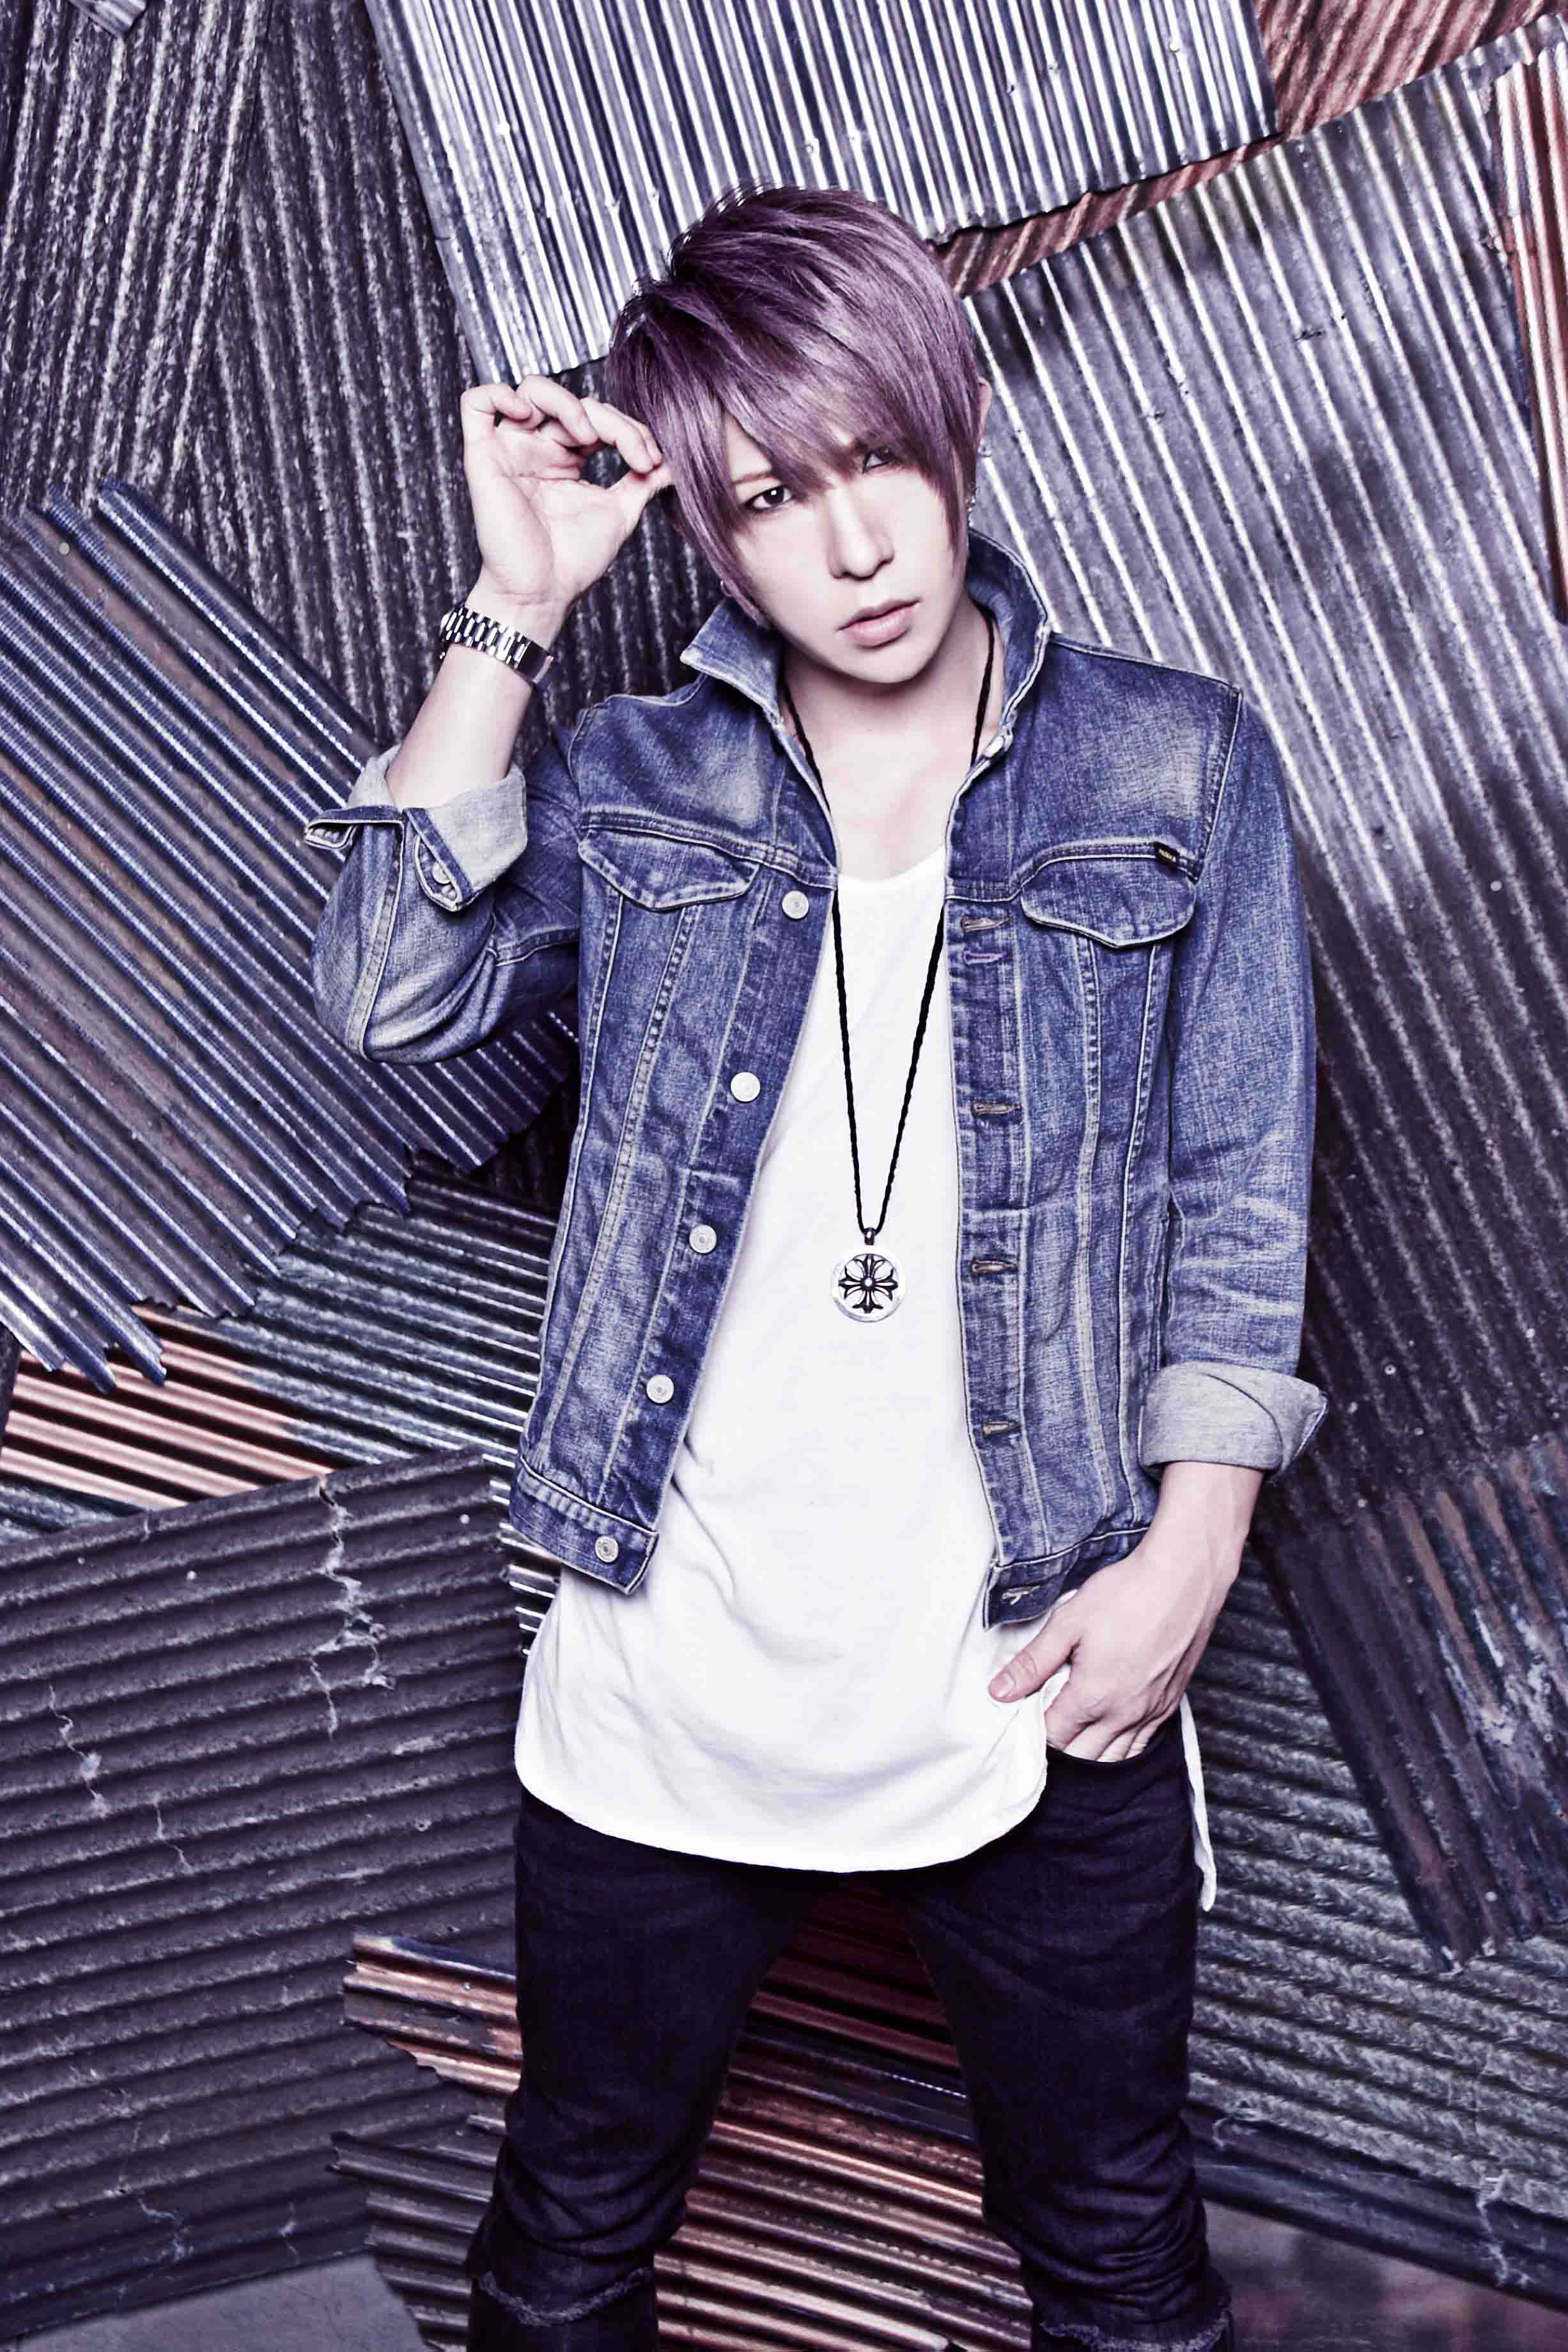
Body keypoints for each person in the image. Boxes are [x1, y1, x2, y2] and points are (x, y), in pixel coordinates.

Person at [302, 181, 1326, 2352]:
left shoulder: (1174, 761)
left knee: (1122, 2262)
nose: (857, 546)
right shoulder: (638, 776)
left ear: (954, 432)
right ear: (708, 530)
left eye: (879, 459)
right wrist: (513, 605)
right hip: (672, 1671)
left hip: (1037, 1665)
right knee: (571, 2244)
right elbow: (389, 997)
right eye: (773, 498)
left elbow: (1242, 1185)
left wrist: (1191, 1559)